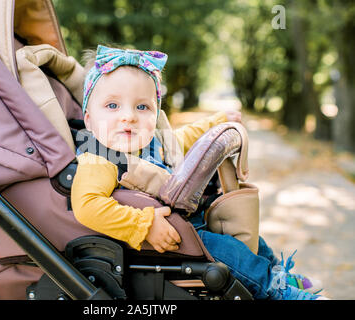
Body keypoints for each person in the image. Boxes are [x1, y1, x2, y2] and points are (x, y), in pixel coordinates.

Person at [71, 44, 327, 300]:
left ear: (156, 111)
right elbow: (87, 206)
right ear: (89, 119)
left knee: (251, 238)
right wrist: (143, 226)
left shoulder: (152, 142)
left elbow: (184, 139)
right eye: (113, 106)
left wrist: (216, 121)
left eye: (142, 107)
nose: (128, 117)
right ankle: (276, 291)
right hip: (166, 236)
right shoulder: (98, 159)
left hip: (190, 219)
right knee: (231, 253)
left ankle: (277, 273)